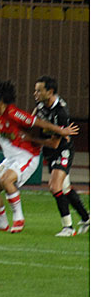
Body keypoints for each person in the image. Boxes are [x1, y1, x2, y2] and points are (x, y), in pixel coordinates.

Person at [0, 79, 79, 234]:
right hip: (11, 158)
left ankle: (19, 219)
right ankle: (2, 225)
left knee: (7, 180)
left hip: (26, 155)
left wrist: (60, 130)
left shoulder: (13, 113)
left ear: (0, 99)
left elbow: (37, 122)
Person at [29, 75, 89, 236]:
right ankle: (86, 217)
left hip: (62, 150)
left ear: (50, 92)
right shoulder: (41, 104)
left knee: (54, 186)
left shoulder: (60, 112)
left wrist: (30, 139)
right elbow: (33, 119)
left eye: (39, 91)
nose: (35, 94)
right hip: (50, 152)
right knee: (65, 188)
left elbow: (55, 143)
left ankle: (68, 228)